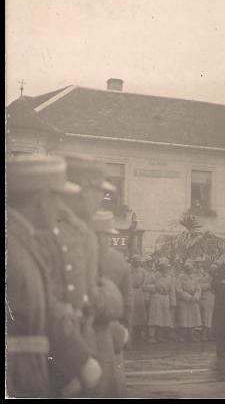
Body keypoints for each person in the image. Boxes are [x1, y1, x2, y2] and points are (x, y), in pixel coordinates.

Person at [6, 155, 101, 398]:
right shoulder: (14, 246)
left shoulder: (24, 241)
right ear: (42, 199)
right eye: (57, 197)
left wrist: (76, 362)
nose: (60, 207)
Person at [50, 154, 125, 397]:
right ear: (80, 190)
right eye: (96, 190)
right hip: (71, 349)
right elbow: (76, 298)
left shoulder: (76, 229)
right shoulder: (70, 232)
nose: (100, 198)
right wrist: (111, 299)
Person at [90, 210, 132, 397]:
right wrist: (125, 332)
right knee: (111, 381)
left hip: (85, 328)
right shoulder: (118, 259)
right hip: (111, 328)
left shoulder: (78, 254)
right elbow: (127, 302)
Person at [144, 258, 177, 343]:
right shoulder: (154, 276)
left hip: (165, 298)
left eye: (166, 267)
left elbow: (172, 291)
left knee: (164, 318)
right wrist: (155, 288)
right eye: (163, 267)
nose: (165, 269)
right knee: (154, 318)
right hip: (156, 298)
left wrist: (173, 302)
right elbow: (144, 286)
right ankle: (151, 336)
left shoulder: (170, 277)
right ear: (160, 267)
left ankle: (160, 335)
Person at [176, 260, 202, 342]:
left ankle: (191, 334)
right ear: (185, 269)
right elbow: (178, 289)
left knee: (192, 318)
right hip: (184, 300)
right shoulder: (180, 277)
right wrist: (188, 296)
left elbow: (198, 289)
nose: (190, 270)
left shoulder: (195, 277)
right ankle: (182, 336)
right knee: (183, 318)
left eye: (191, 268)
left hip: (193, 300)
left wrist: (195, 296)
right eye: (188, 268)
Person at [129, 255, 149, 342]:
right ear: (132, 261)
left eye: (138, 261)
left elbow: (146, 281)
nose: (136, 263)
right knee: (131, 313)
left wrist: (141, 286)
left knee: (140, 313)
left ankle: (139, 333)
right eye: (135, 261)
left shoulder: (143, 271)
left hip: (140, 292)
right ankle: (131, 333)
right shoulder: (128, 270)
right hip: (130, 292)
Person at [196, 257, 215, 341]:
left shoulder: (215, 278)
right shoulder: (205, 277)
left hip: (212, 298)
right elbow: (198, 285)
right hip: (205, 298)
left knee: (210, 318)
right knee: (205, 317)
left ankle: (209, 334)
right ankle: (203, 335)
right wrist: (208, 286)